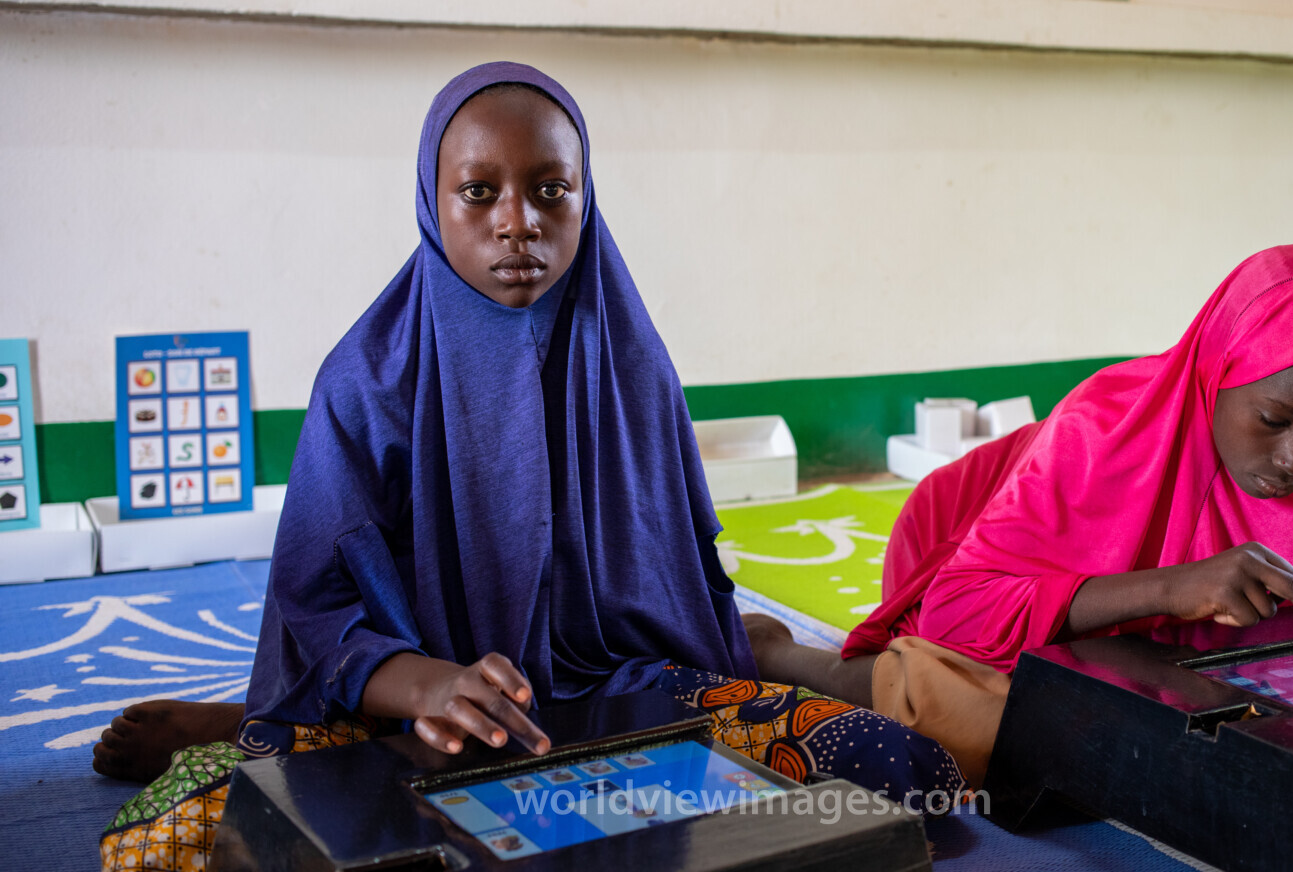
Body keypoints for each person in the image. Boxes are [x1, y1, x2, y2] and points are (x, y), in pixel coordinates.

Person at [96, 63, 962, 872]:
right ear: (434, 206)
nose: (519, 221)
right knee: (177, 839)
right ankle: (248, 725)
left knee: (906, 771)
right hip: (421, 712)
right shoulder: (365, 383)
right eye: (480, 193)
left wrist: (690, 682)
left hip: (619, 695)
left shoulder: (632, 366)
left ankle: (264, 726)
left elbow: (679, 587)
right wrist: (431, 684)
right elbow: (317, 609)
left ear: (587, 201)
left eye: (552, 191)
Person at [750, 243, 1293, 786]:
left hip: (1145, 652)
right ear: (1217, 369)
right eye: (1274, 421)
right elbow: (962, 607)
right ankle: (792, 659)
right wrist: (1174, 587)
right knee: (971, 704)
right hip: (984, 571)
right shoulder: (1101, 426)